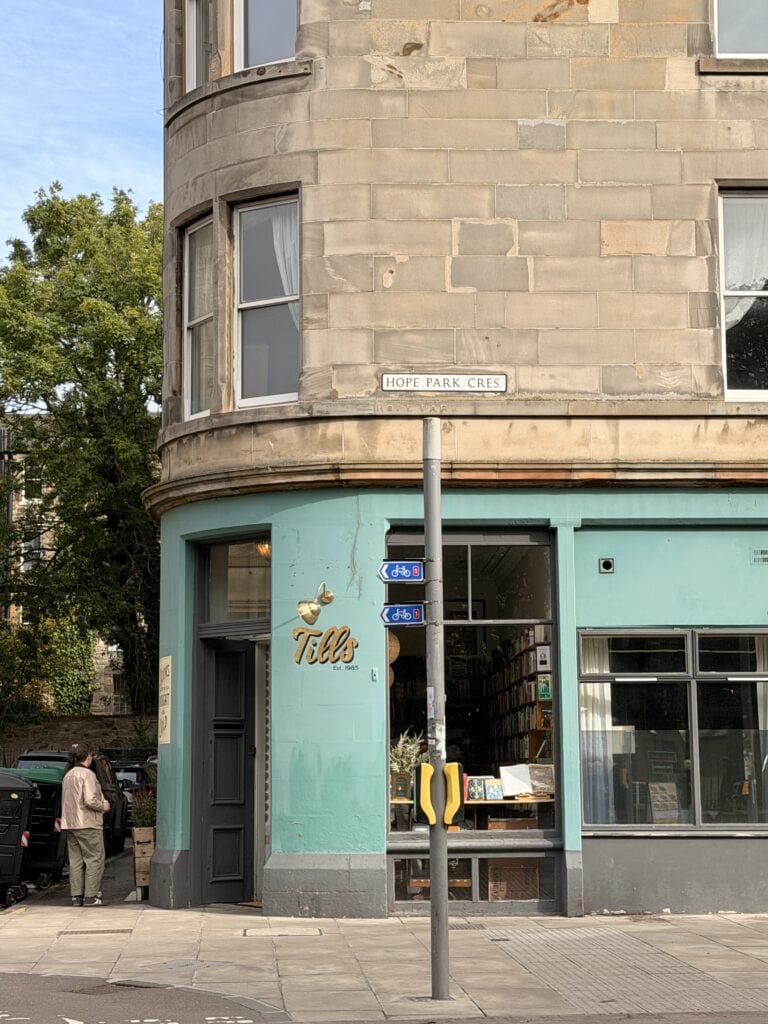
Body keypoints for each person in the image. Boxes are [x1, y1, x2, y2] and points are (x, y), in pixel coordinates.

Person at [61, 743, 110, 906]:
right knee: (94, 859)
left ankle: (77, 897)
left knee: (75, 861)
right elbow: (90, 800)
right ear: (88, 757)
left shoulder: (68, 775)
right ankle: (91, 896)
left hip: (70, 823)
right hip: (88, 823)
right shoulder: (88, 775)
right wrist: (103, 805)